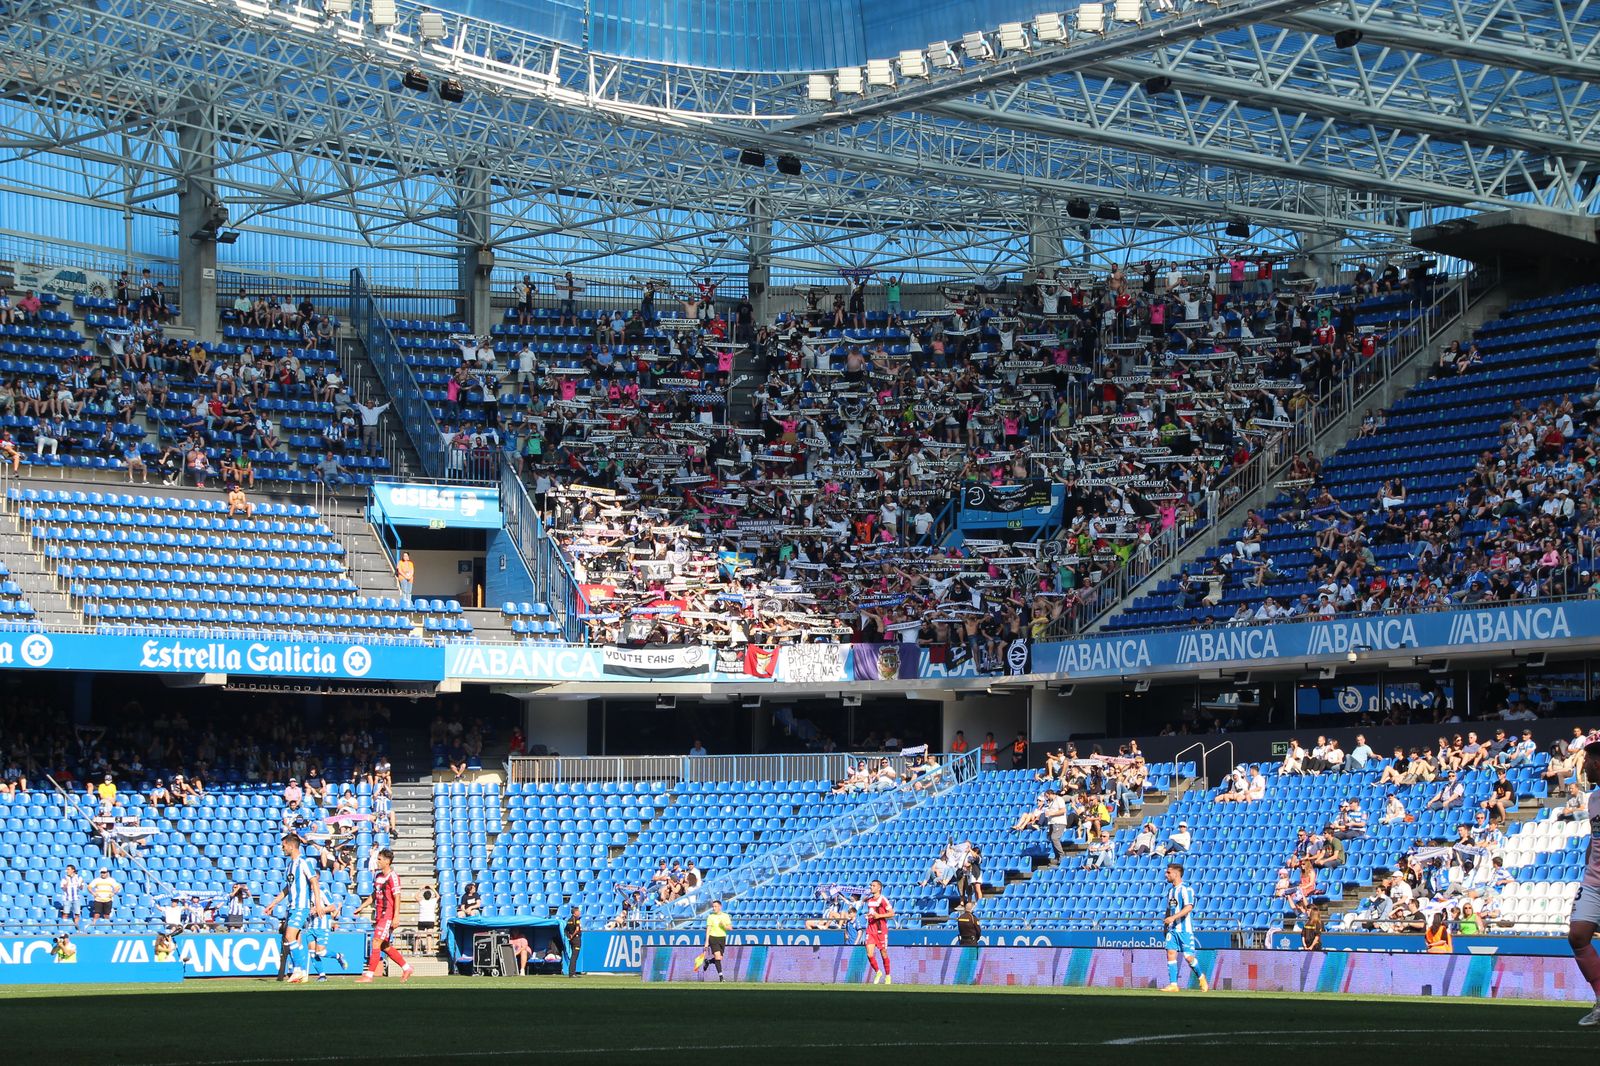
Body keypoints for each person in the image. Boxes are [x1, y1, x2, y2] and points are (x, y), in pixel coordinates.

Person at [1566, 733, 1600, 1026]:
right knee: (1578, 935)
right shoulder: (1594, 798)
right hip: (1594, 880)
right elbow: (1594, 836)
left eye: (1587, 759)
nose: (1584, 764)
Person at [263, 833, 323, 983]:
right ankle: (302, 971)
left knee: (290, 936)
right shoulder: (290, 865)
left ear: (291, 846)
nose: (282, 849)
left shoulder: (304, 862)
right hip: (291, 907)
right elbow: (287, 888)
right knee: (295, 939)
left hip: (301, 906)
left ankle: (298, 970)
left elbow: (314, 882)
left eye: (283, 846)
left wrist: (318, 904)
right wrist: (273, 903)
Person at [356, 848, 412, 983]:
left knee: (376, 941)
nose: (377, 861)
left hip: (388, 914)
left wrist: (396, 916)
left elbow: (397, 897)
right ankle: (407, 967)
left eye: (379, 859)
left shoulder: (393, 877)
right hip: (379, 915)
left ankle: (369, 975)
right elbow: (374, 895)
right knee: (384, 946)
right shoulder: (378, 876)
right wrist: (361, 907)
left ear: (387, 861)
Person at [1161, 862, 1209, 992]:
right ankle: (1173, 985)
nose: (1166, 874)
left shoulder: (1186, 889)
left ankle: (1201, 977)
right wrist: (1165, 925)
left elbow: (1188, 907)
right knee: (1171, 953)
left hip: (1185, 930)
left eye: (1168, 872)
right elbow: (1168, 909)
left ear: (1176, 874)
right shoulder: (1170, 891)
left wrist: (1173, 918)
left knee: (1189, 957)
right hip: (1172, 929)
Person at [863, 878, 894, 984]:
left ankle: (888, 976)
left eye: (873, 886)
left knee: (883, 953)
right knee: (869, 954)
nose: (871, 887)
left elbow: (891, 913)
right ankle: (878, 972)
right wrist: (869, 916)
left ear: (879, 888)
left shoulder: (883, 900)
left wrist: (879, 916)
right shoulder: (870, 900)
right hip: (870, 929)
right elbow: (872, 912)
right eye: (871, 885)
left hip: (881, 930)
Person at [697, 899, 732, 981]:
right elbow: (708, 930)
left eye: (715, 906)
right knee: (717, 957)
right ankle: (721, 977)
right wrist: (706, 942)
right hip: (713, 938)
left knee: (719, 958)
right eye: (713, 906)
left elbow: (730, 928)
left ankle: (708, 962)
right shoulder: (711, 916)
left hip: (722, 938)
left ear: (720, 907)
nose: (714, 908)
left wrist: (724, 925)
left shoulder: (725, 916)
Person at [564, 907, 583, 977]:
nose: (579, 913)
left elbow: (565, 930)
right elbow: (577, 929)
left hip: (572, 940)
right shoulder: (577, 920)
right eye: (578, 911)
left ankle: (572, 973)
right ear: (575, 913)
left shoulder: (569, 920)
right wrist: (572, 936)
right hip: (576, 939)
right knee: (574, 956)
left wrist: (569, 936)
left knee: (573, 956)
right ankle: (572, 973)